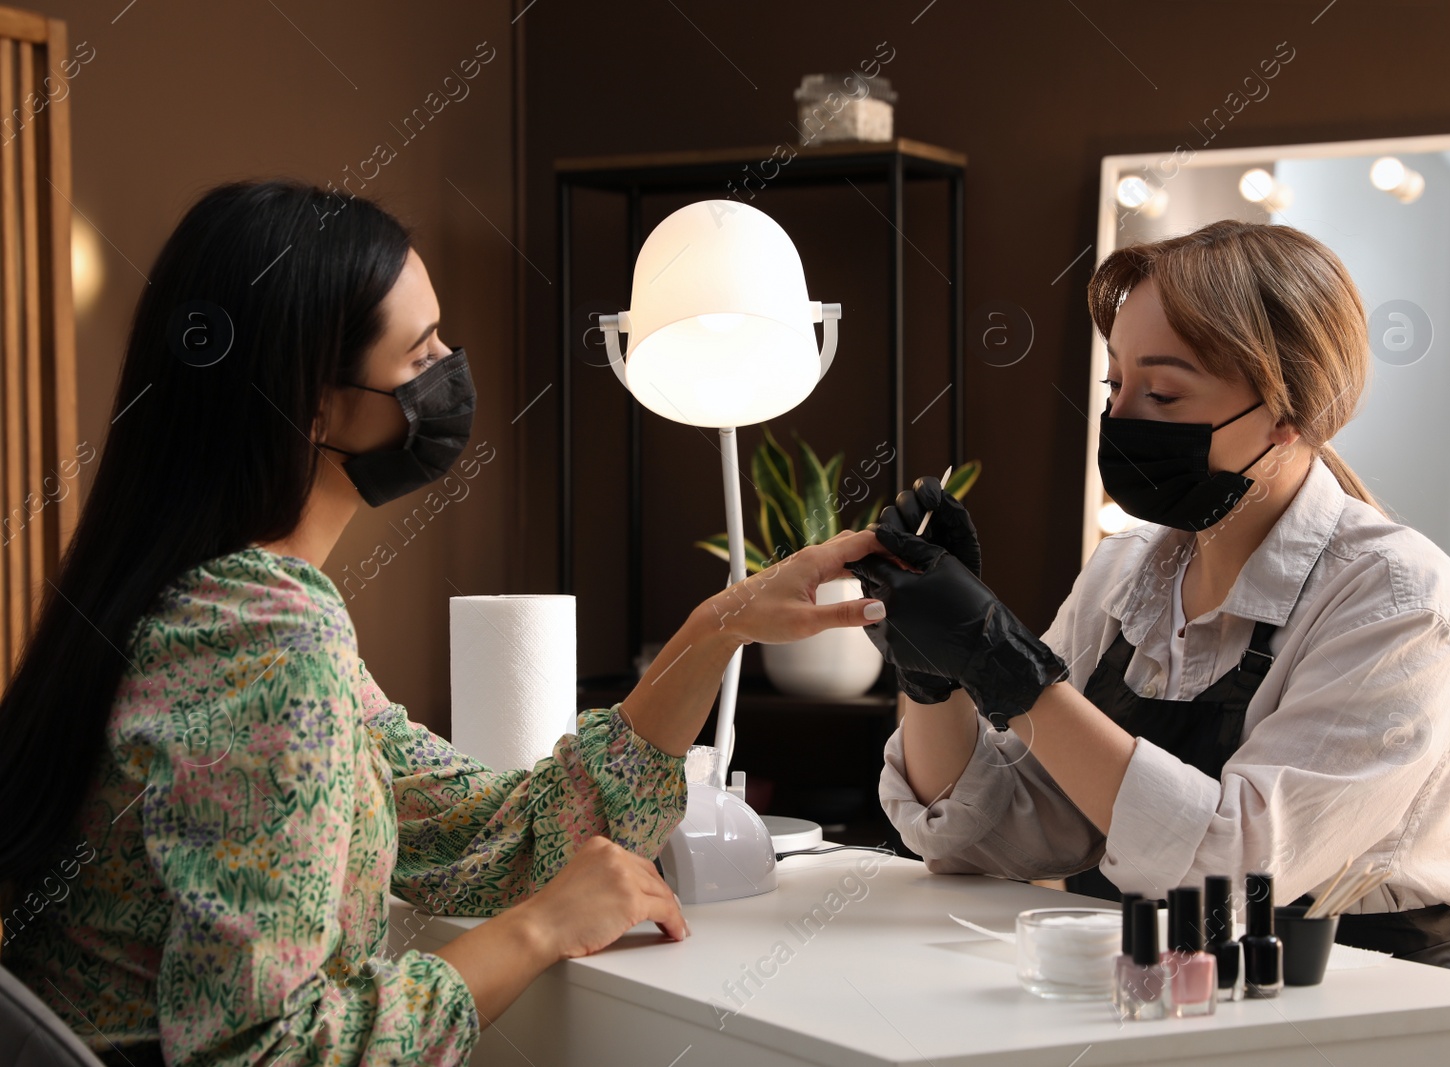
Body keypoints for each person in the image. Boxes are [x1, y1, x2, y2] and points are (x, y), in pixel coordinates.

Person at [0, 179, 886, 1066]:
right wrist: (534, 931)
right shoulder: (270, 645)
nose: (450, 376)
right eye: (421, 354)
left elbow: (497, 831)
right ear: (313, 405)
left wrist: (718, 626)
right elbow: (262, 1053)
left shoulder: (198, 605)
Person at [851, 220, 1450, 973]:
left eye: (1162, 392)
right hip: (1162, 982)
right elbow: (983, 839)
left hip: (1367, 993)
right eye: (1115, 385)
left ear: (1290, 412)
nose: (1123, 420)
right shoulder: (1126, 572)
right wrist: (938, 680)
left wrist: (1011, 671)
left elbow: (1233, 875)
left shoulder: (1397, 601)